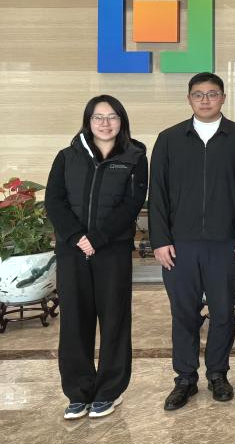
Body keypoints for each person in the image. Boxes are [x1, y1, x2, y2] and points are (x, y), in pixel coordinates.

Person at [149, 72, 235, 411]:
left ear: (223, 98)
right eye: (198, 94)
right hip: (179, 245)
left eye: (212, 94)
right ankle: (185, 378)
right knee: (183, 313)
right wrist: (160, 240)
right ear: (189, 99)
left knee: (223, 312)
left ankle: (217, 373)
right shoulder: (169, 139)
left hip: (225, 244)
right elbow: (157, 194)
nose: (205, 100)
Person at [45, 95, 147, 420]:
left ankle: (109, 391)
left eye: (112, 116)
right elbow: (54, 200)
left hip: (112, 251)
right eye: (98, 117)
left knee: (115, 320)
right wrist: (77, 237)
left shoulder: (135, 157)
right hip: (72, 251)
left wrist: (97, 238)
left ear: (122, 121)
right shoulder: (67, 156)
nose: (105, 123)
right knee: (74, 321)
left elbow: (132, 204)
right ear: (88, 122)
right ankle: (78, 392)